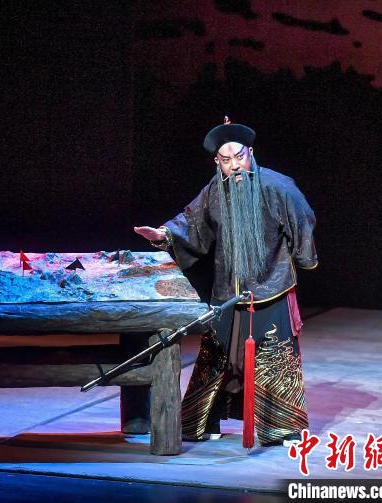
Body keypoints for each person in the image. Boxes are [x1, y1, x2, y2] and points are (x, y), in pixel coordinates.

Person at [134, 117, 317, 447]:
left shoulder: (278, 186)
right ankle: (203, 421)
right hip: (227, 288)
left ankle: (283, 428)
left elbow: (302, 220)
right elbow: (192, 222)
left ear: (251, 153)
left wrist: (304, 258)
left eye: (239, 157)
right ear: (217, 162)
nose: (234, 166)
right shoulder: (214, 190)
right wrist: (163, 234)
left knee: (275, 357)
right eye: (225, 159)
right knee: (217, 357)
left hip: (271, 285)